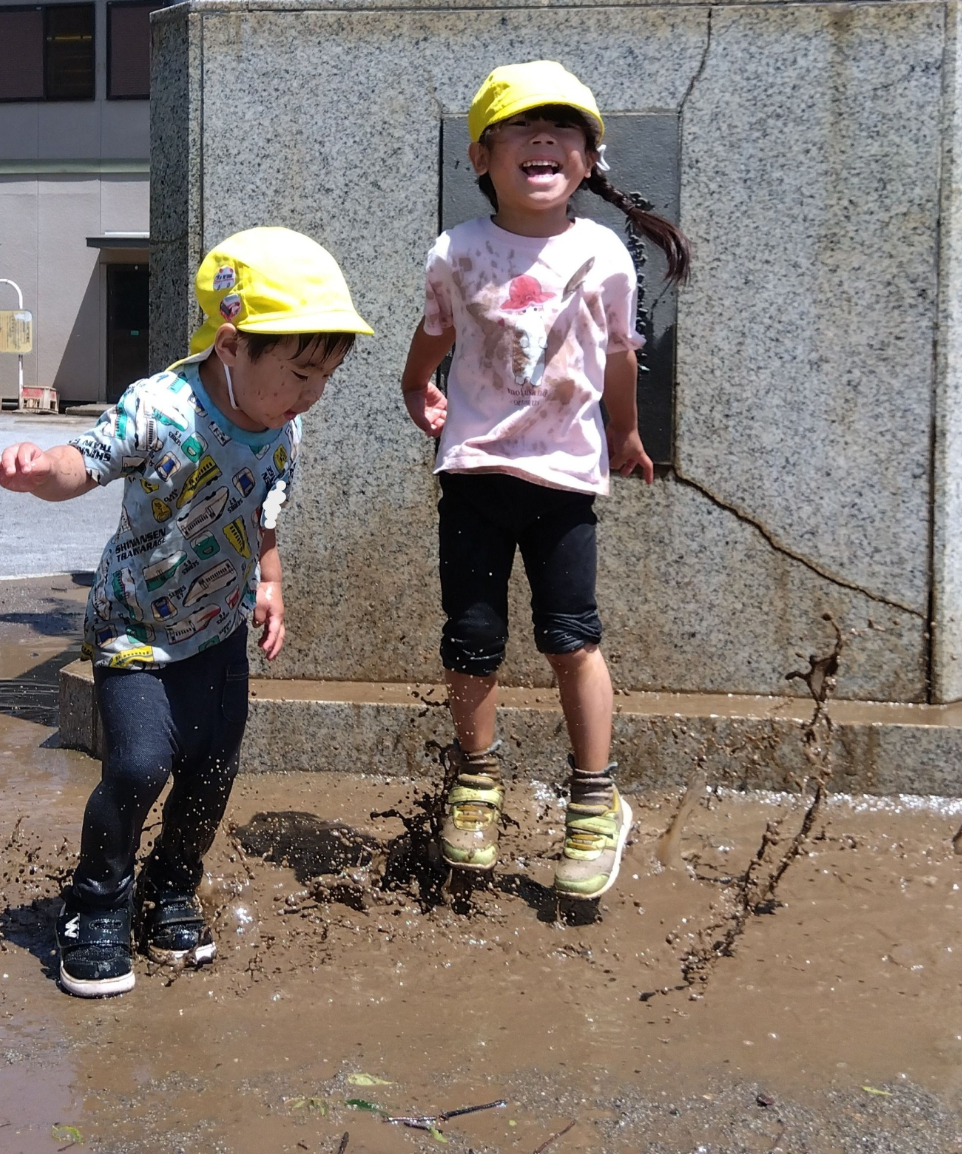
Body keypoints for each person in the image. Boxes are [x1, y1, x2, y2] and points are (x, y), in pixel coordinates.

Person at [0, 228, 372, 995]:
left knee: (213, 770)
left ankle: (171, 886)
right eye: (298, 371)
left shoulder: (285, 426)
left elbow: (267, 510)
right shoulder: (158, 408)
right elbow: (83, 464)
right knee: (138, 764)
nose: (309, 393)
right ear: (231, 345)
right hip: (135, 626)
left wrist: (270, 582)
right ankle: (95, 905)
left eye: (324, 375)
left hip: (219, 628)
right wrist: (37, 469)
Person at [400, 61, 690, 899]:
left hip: (563, 480)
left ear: (589, 159)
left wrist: (627, 434)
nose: (543, 140)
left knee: (571, 637)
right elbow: (433, 333)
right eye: (521, 128)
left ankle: (595, 802)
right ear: (481, 158)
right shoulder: (455, 250)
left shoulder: (600, 252)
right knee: (472, 635)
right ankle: (477, 783)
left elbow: (617, 361)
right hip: (475, 471)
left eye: (564, 129)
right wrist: (415, 384)